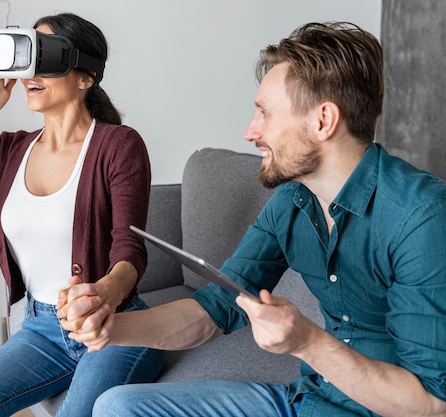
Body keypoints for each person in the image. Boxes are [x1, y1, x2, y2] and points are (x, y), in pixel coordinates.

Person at [58, 22, 446, 417]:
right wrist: (109, 327)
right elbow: (216, 309)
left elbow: (432, 404)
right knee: (117, 406)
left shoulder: (420, 217)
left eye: (265, 113)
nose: (250, 131)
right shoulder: (292, 201)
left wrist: (307, 341)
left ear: (323, 120)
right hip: (306, 401)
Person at [0, 12, 164, 417]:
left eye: (47, 59)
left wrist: (103, 296)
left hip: (115, 324)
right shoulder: (7, 149)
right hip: (42, 328)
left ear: (86, 77)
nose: (32, 73)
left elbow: (129, 248)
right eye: (30, 59)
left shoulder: (119, 145)